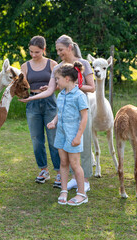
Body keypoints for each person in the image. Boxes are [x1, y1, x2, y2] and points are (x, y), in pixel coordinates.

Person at [19, 35, 95, 192]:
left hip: (80, 111)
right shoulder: (57, 68)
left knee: (83, 144)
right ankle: (74, 178)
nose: (59, 53)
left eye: (61, 50)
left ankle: (85, 180)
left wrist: (73, 86)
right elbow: (50, 90)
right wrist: (32, 99)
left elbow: (92, 87)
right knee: (67, 145)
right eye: (57, 50)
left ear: (69, 48)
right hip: (64, 113)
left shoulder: (84, 64)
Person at [20, 36, 61, 187]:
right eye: (31, 52)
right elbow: (22, 85)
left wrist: (51, 88)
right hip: (32, 103)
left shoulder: (53, 64)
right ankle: (43, 170)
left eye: (37, 52)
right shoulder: (25, 66)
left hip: (50, 103)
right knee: (37, 140)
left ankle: (59, 172)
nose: (33, 55)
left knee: (53, 139)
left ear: (44, 49)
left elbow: (61, 84)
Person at [47, 61, 89, 205]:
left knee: (75, 164)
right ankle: (63, 190)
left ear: (67, 79)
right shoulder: (61, 95)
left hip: (73, 135)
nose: (56, 82)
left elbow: (84, 118)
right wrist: (54, 121)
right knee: (63, 162)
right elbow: (60, 113)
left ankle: (82, 194)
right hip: (61, 133)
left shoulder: (79, 95)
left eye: (57, 79)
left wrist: (78, 136)